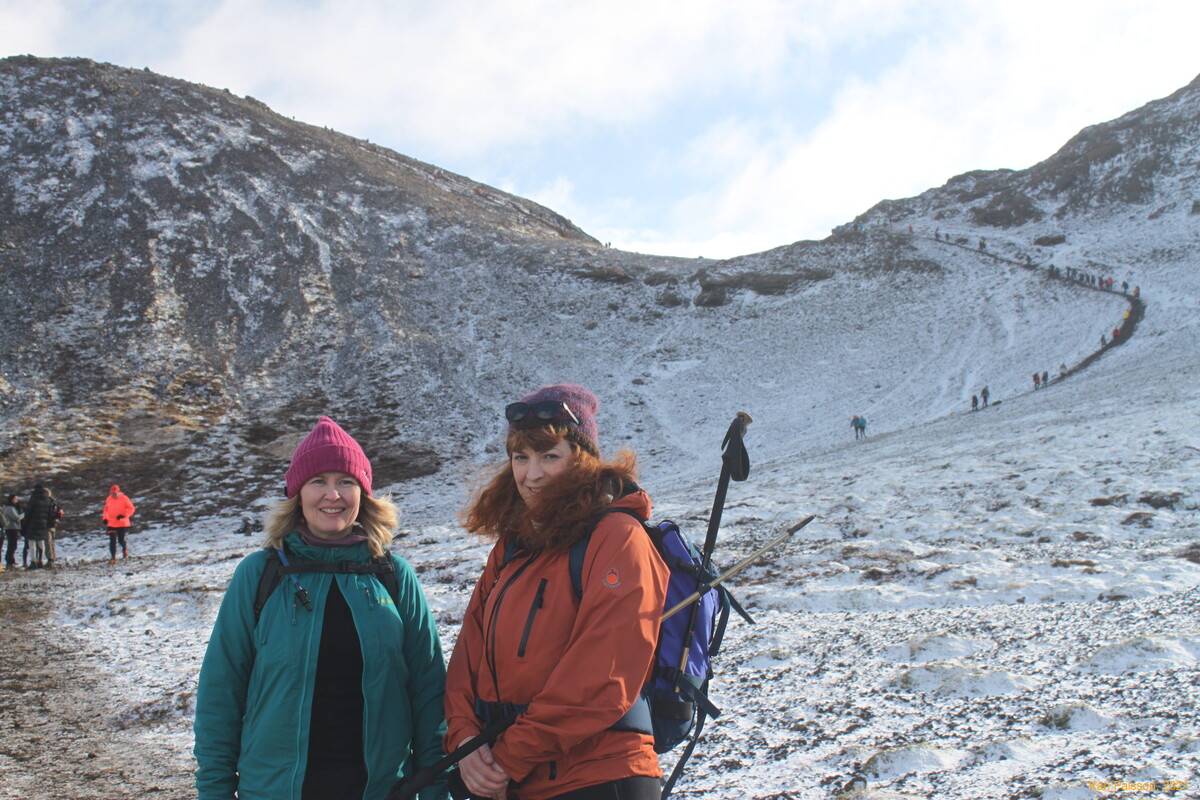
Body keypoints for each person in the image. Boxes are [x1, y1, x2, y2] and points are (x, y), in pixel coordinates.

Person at [194, 416, 448, 800]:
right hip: (273, 790)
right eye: (318, 481)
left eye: (346, 481)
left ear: (363, 494)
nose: (333, 495)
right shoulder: (260, 575)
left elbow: (429, 690)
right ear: (297, 494)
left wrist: (435, 787)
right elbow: (222, 688)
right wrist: (214, 790)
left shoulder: (393, 576)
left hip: (382, 790)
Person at [444, 385, 670, 800]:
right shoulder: (512, 548)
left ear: (582, 460)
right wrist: (464, 740)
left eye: (550, 456)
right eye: (521, 457)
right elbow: (468, 653)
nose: (532, 474)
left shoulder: (618, 537)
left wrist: (507, 759)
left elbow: (604, 677)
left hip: (597, 778)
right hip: (513, 777)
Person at [20, 484, 55, 569]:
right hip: (43, 524)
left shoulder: (33, 499)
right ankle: (41, 561)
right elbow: (50, 514)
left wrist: (24, 525)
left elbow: (28, 514)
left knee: (32, 543)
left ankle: (33, 562)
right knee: (41, 542)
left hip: (32, 524)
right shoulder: (48, 500)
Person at [102, 484, 136, 564]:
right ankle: (113, 558)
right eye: (111, 493)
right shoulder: (109, 499)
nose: (113, 495)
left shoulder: (124, 499)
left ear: (119, 492)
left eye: (114, 493)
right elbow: (106, 510)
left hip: (121, 522)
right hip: (111, 522)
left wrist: (124, 515)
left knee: (121, 540)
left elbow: (132, 509)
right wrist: (105, 518)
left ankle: (124, 549)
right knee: (112, 539)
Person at [2, 494, 22, 571]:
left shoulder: (11, 507)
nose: (17, 500)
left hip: (13, 528)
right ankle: (9, 561)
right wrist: (23, 515)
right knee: (12, 545)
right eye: (15, 499)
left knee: (13, 545)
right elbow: (16, 518)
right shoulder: (10, 508)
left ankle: (11, 560)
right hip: (11, 528)